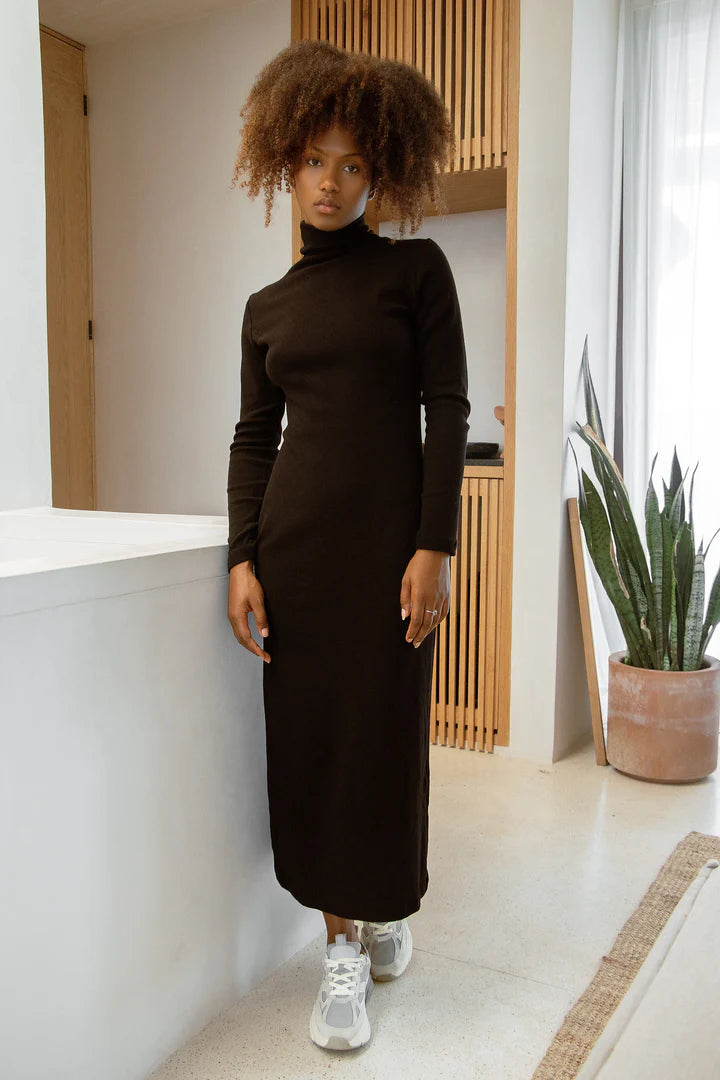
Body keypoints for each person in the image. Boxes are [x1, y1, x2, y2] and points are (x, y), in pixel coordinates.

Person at [226, 39, 471, 1051]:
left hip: (386, 557)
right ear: (286, 160)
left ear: (382, 171)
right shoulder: (266, 309)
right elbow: (253, 438)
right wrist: (241, 557)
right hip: (295, 558)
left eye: (353, 164)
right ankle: (340, 948)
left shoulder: (416, 272)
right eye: (315, 161)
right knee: (314, 745)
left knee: (381, 740)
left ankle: (381, 913)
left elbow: (446, 410)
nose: (330, 183)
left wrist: (435, 547)